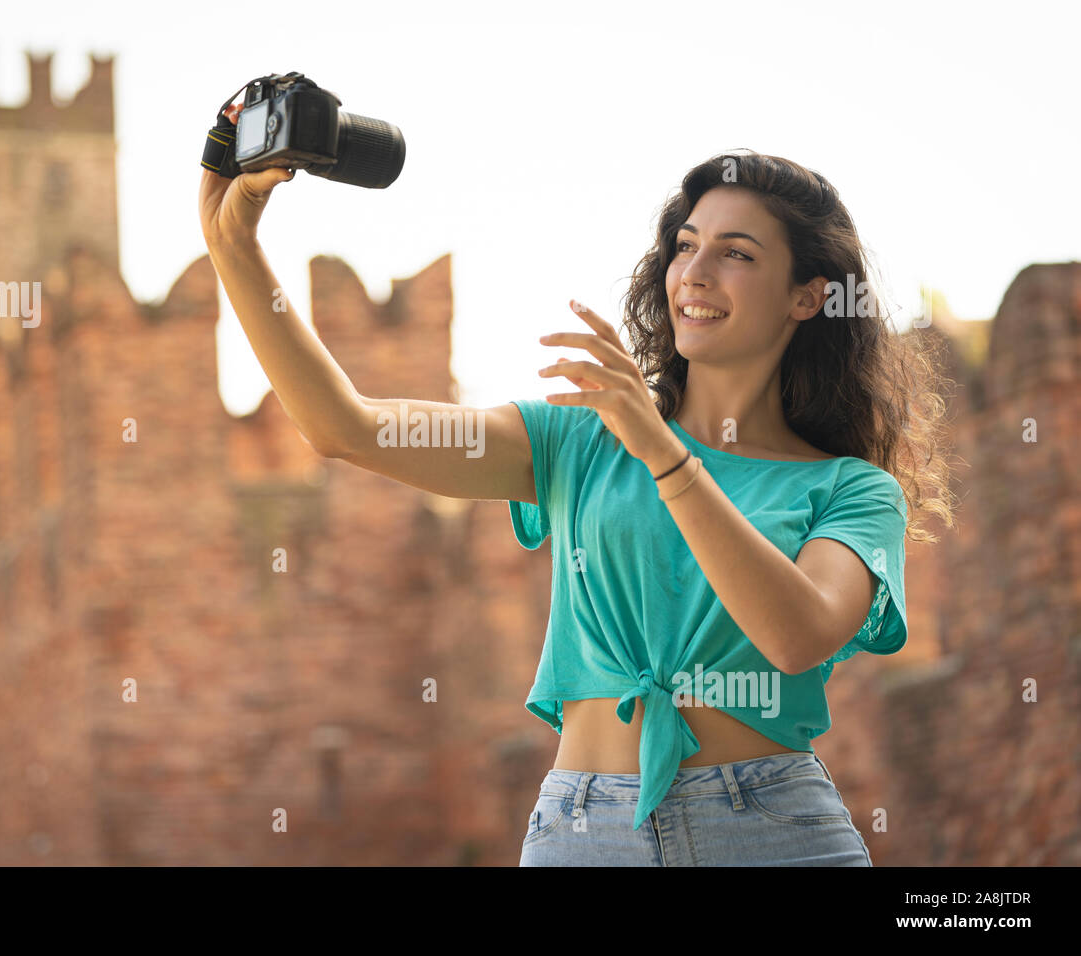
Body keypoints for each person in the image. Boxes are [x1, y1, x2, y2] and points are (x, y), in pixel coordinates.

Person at [198, 134, 956, 866]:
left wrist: (664, 452)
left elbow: (796, 636)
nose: (695, 271)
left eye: (737, 254)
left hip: (772, 829)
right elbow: (347, 428)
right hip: (584, 830)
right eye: (686, 245)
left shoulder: (851, 490)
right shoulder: (576, 439)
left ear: (807, 297)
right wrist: (233, 245)